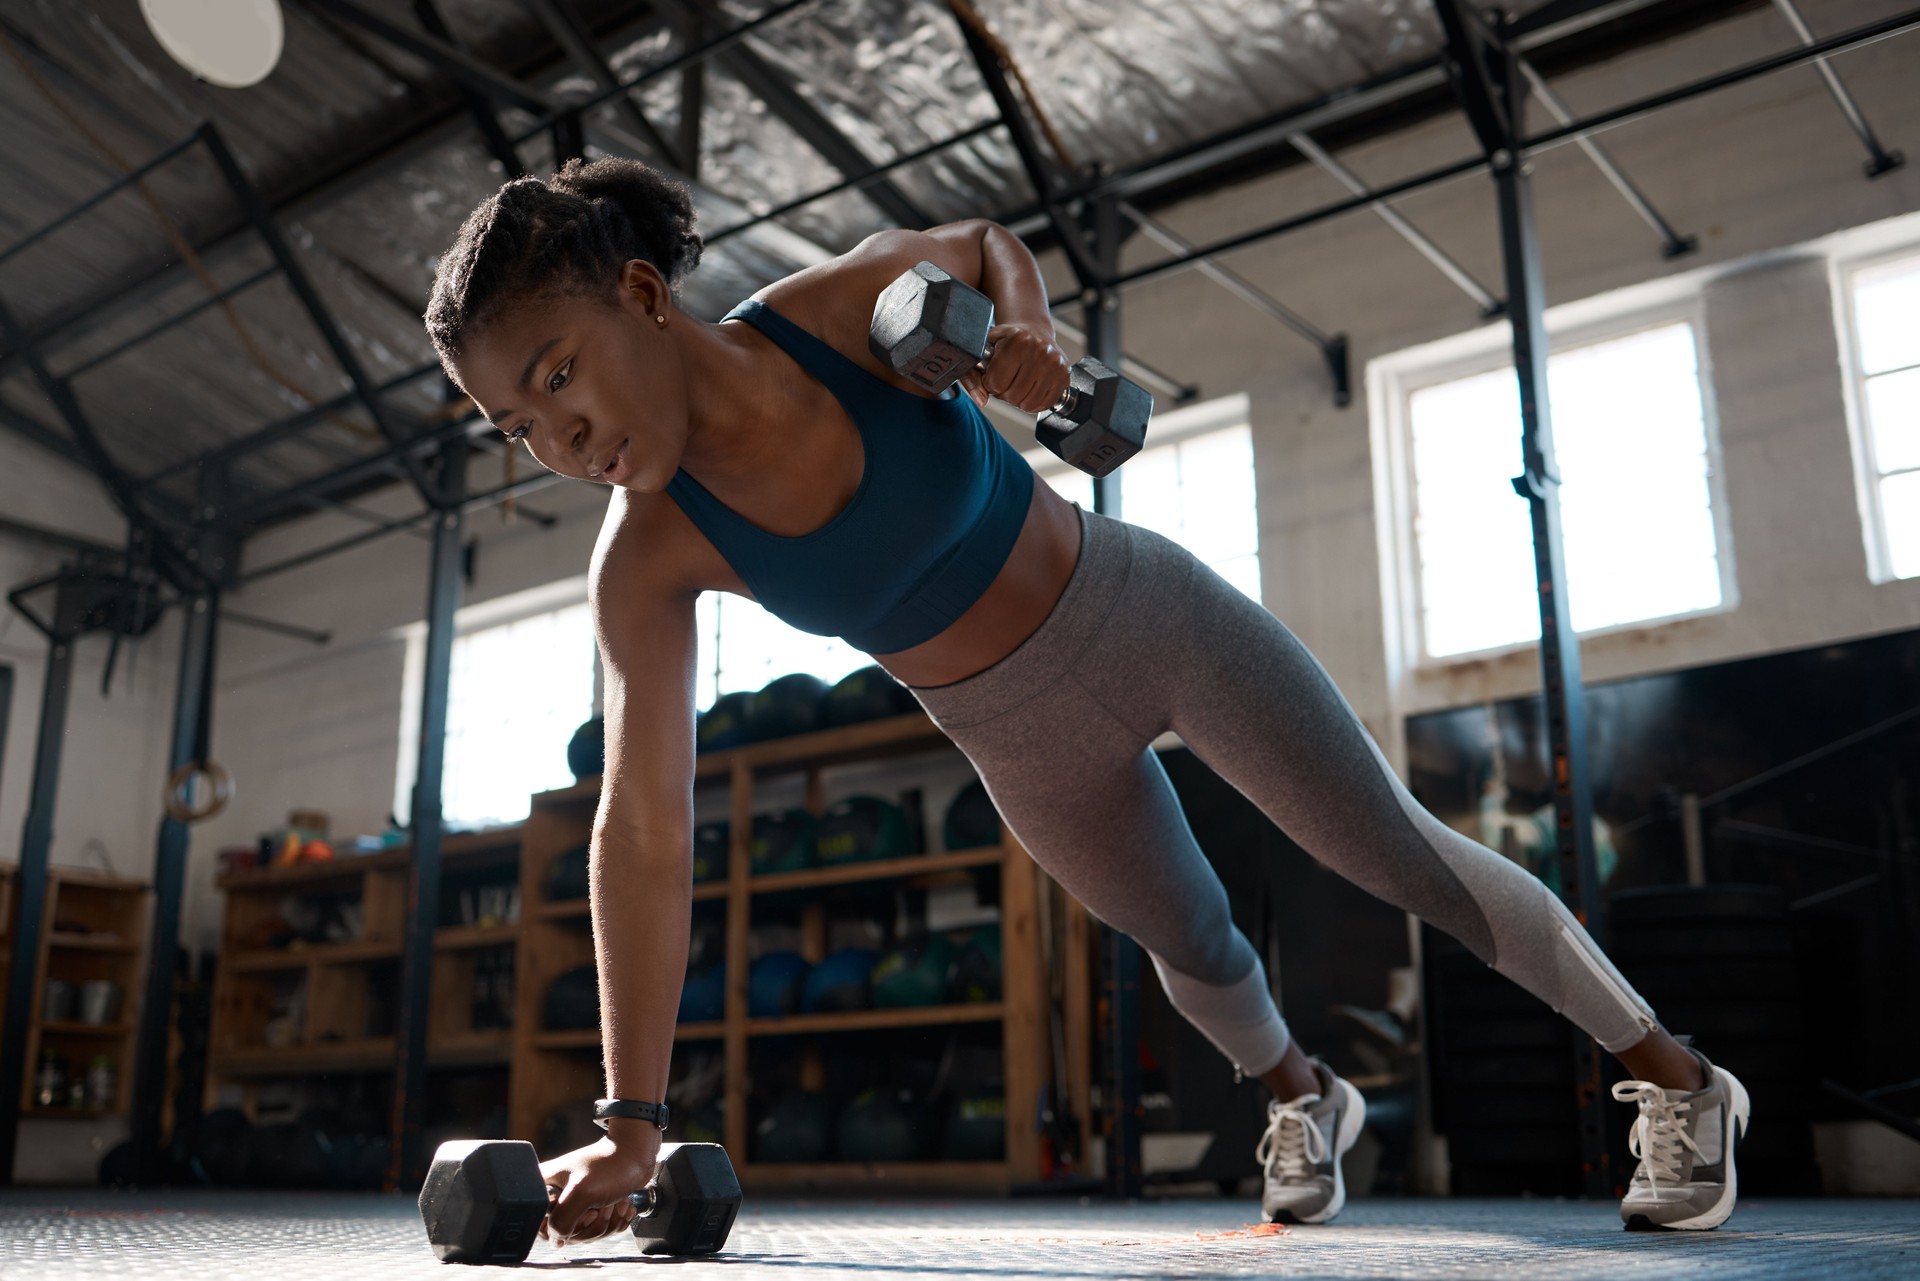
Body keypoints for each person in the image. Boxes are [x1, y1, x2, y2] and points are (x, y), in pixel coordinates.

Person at [424, 157, 1749, 1244]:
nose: (558, 437)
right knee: (1194, 938)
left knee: (1398, 853)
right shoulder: (649, 557)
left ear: (645, 295)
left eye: (556, 376)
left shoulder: (835, 318)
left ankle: (1681, 1079)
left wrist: (1027, 337)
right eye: (515, 426)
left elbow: (983, 242)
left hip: (1144, 614)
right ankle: (1306, 1099)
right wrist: (632, 1120)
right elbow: (643, 832)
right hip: (1011, 733)